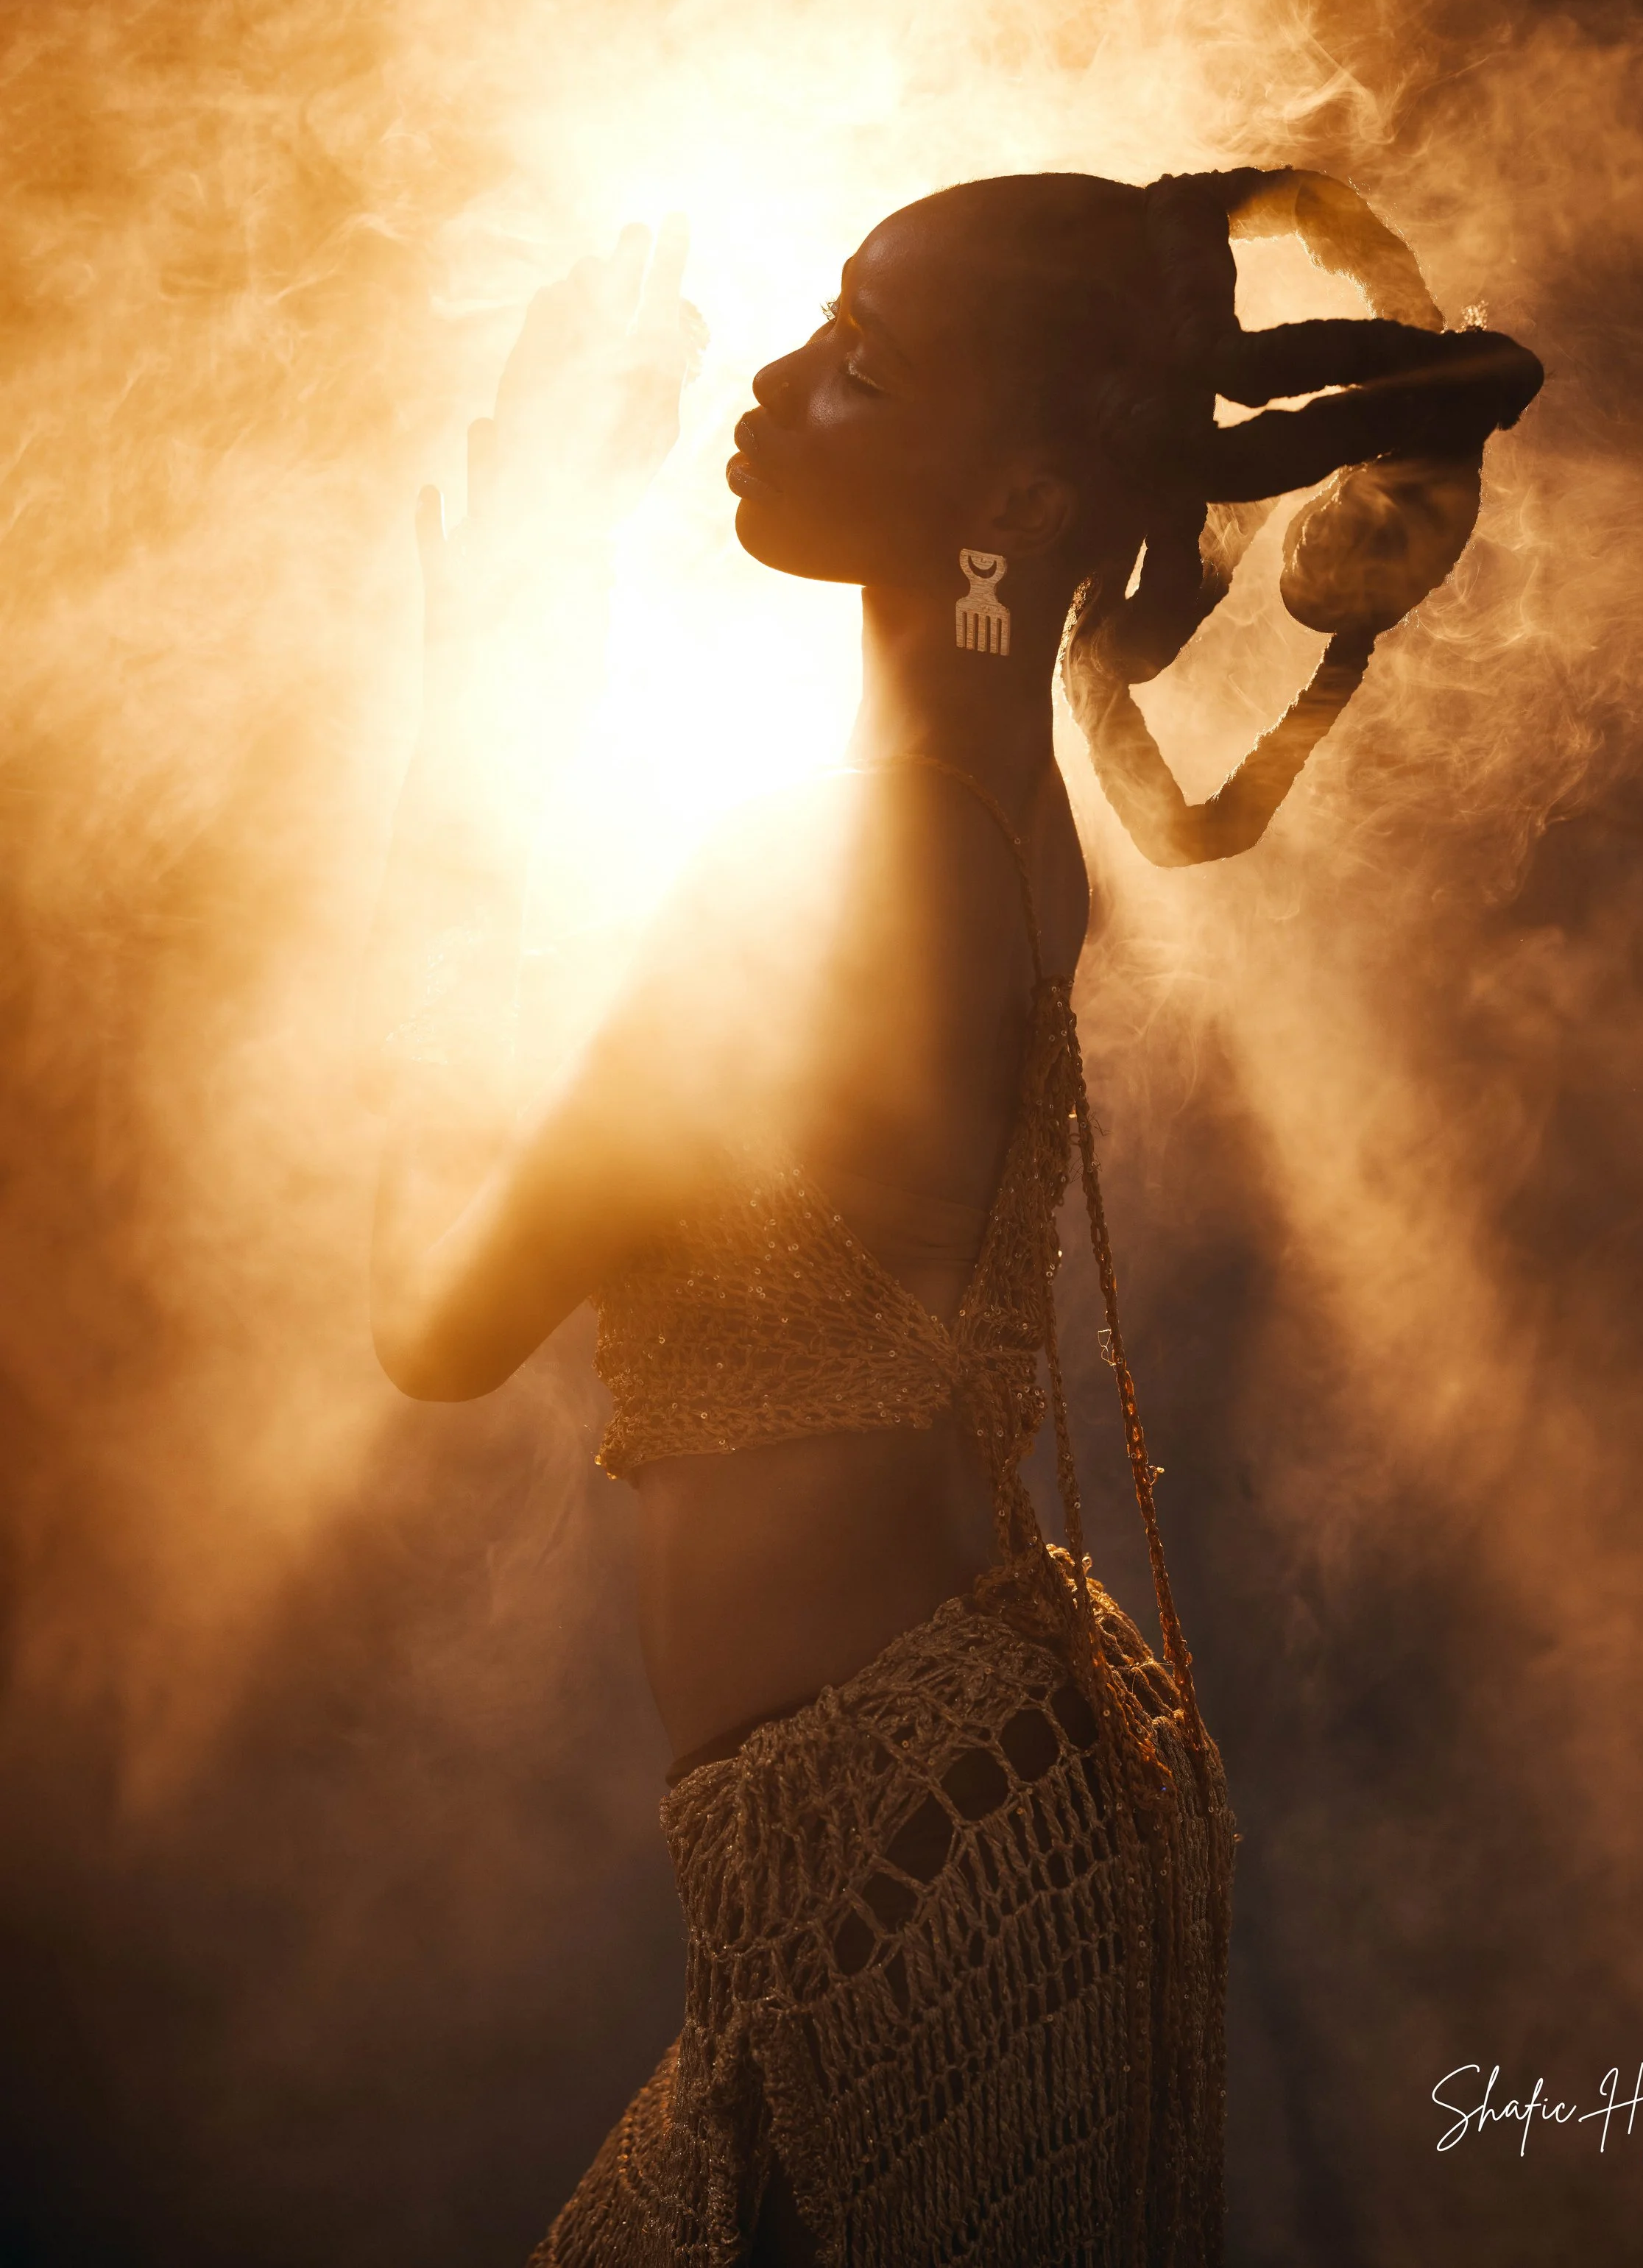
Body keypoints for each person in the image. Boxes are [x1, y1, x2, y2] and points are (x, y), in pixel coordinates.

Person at [367, 169, 1541, 2267]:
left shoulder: (836, 864)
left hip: (920, 1874)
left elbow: (433, 1318)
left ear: (1004, 477)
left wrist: (495, 635)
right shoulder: (996, 812)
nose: (772, 382)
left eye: (860, 362)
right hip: (943, 1818)